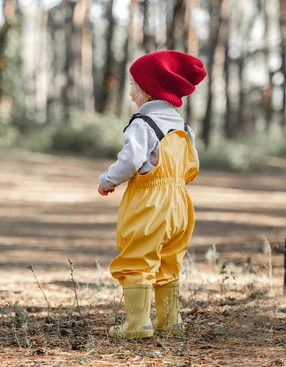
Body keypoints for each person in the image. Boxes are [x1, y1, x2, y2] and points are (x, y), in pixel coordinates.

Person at [98, 50, 206, 339]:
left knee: (138, 257)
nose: (131, 92)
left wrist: (108, 179)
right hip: (180, 205)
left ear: (148, 90)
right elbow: (192, 165)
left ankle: (137, 325)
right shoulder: (184, 127)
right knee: (170, 259)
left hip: (150, 202)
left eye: (133, 85)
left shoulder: (143, 125)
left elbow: (131, 161)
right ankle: (169, 321)